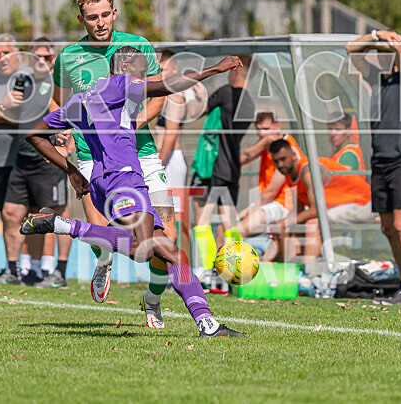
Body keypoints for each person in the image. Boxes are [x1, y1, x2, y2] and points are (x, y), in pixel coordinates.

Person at [24, 47, 245, 337]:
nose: (144, 77)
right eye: (142, 71)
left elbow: (33, 133)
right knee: (145, 249)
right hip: (123, 179)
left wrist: (72, 171)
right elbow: (165, 86)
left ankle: (207, 323)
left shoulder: (80, 100)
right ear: (125, 65)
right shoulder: (120, 83)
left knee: (172, 252)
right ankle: (63, 225)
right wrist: (214, 69)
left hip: (108, 182)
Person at [52, 0, 175, 325]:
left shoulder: (137, 46)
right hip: (94, 156)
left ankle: (152, 300)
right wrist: (63, 129)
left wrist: (131, 125)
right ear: (82, 20)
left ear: (114, 14)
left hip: (143, 153)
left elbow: (159, 95)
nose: (100, 22)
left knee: (167, 242)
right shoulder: (70, 55)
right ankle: (103, 258)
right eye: (92, 17)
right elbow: (57, 101)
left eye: (105, 15)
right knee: (100, 226)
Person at [0, 33, 66, 286]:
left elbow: (46, 105)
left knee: (44, 213)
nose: (1, 58)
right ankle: (15, 270)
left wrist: (61, 129)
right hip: (15, 159)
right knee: (10, 214)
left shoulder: (40, 78)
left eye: (6, 53)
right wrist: (2, 107)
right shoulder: (10, 79)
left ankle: (41, 269)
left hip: (38, 156)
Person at [346, 29, 401, 306]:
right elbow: (351, 49)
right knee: (388, 228)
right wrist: (376, 34)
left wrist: (396, 44)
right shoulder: (377, 80)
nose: (382, 57)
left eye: (386, 53)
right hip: (379, 160)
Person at [266, 139, 373, 262]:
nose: (280, 165)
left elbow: (316, 210)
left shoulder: (307, 171)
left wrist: (284, 223)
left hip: (363, 204)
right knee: (291, 226)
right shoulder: (289, 174)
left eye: (283, 159)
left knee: (313, 223)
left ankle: (308, 270)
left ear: (294, 155)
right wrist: (280, 225)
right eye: (276, 161)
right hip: (342, 206)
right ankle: (289, 270)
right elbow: (298, 211)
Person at [191, 54, 255, 250]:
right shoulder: (250, 104)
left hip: (213, 167)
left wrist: (198, 95)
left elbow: (196, 112)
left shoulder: (226, 92)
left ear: (235, 71)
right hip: (232, 168)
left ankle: (206, 268)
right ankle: (235, 268)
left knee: (202, 220)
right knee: (229, 221)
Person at [30, 36, 73, 289]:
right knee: (42, 210)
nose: (43, 62)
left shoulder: (60, 84)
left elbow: (77, 114)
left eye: (47, 57)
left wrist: (66, 149)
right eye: (38, 57)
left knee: (60, 210)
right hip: (39, 157)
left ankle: (62, 270)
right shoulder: (31, 85)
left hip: (56, 155)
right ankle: (45, 268)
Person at [154, 49, 207, 253]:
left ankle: (180, 264)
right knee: (161, 215)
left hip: (170, 161)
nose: (159, 72)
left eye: (163, 69)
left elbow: (171, 133)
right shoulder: (162, 91)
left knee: (175, 216)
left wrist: (158, 162)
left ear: (174, 68)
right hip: (163, 159)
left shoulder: (176, 92)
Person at [236, 112, 304, 240]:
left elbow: (271, 193)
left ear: (277, 126)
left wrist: (247, 214)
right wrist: (263, 143)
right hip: (271, 202)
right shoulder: (267, 143)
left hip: (285, 204)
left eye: (266, 129)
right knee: (224, 228)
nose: (262, 134)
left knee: (237, 231)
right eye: (259, 130)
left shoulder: (284, 147)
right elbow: (242, 158)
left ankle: (233, 260)